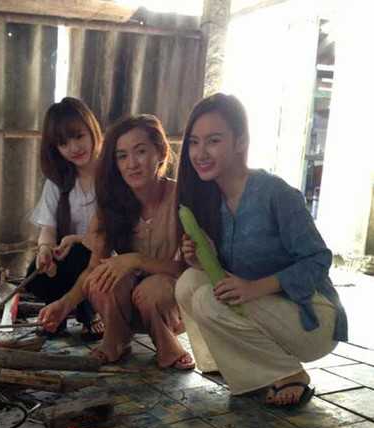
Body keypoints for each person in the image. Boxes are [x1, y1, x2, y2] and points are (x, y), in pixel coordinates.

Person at [175, 93, 348, 406]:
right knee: (189, 283)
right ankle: (236, 366)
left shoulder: (275, 193)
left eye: (213, 141)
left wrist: (256, 287)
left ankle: (289, 374)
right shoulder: (211, 198)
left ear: (241, 142)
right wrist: (203, 260)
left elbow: (318, 259)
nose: (200, 153)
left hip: (311, 316)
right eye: (194, 143)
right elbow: (233, 274)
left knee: (207, 299)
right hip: (265, 311)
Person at [39, 114, 194, 369]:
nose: (131, 164)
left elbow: (191, 271)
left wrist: (137, 260)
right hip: (128, 302)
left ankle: (168, 345)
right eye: (122, 156)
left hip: (172, 297)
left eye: (140, 151)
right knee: (100, 280)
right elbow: (92, 268)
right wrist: (64, 305)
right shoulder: (111, 203)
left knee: (152, 290)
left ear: (161, 152)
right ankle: (115, 341)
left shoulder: (182, 199)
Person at [25, 97, 104, 340]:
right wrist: (44, 250)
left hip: (105, 253)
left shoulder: (111, 175)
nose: (74, 147)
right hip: (70, 254)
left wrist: (77, 240)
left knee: (80, 255)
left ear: (92, 129)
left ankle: (90, 313)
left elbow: (113, 234)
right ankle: (54, 315)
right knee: (38, 271)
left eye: (79, 136)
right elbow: (48, 229)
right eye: (63, 143)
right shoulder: (58, 182)